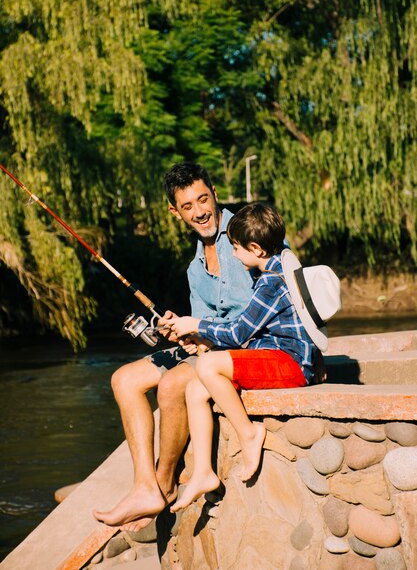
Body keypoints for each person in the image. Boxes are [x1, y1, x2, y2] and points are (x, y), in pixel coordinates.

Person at [93, 162, 254, 529]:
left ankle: (162, 483)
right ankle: (145, 485)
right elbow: (202, 331)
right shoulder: (195, 268)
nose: (199, 212)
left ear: (214, 192)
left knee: (170, 385)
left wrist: (201, 332)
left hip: (244, 348)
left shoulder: (248, 229)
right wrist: (180, 331)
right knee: (124, 380)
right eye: (187, 207)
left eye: (203, 199)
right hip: (208, 346)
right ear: (175, 211)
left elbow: (278, 289)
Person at [166, 203, 327, 511]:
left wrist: (195, 324)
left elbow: (239, 332)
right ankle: (203, 472)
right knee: (196, 388)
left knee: (208, 364)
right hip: (278, 356)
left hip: (289, 363)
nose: (234, 255)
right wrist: (200, 334)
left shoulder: (271, 281)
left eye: (237, 248)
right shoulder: (280, 265)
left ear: (255, 248)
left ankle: (249, 434)